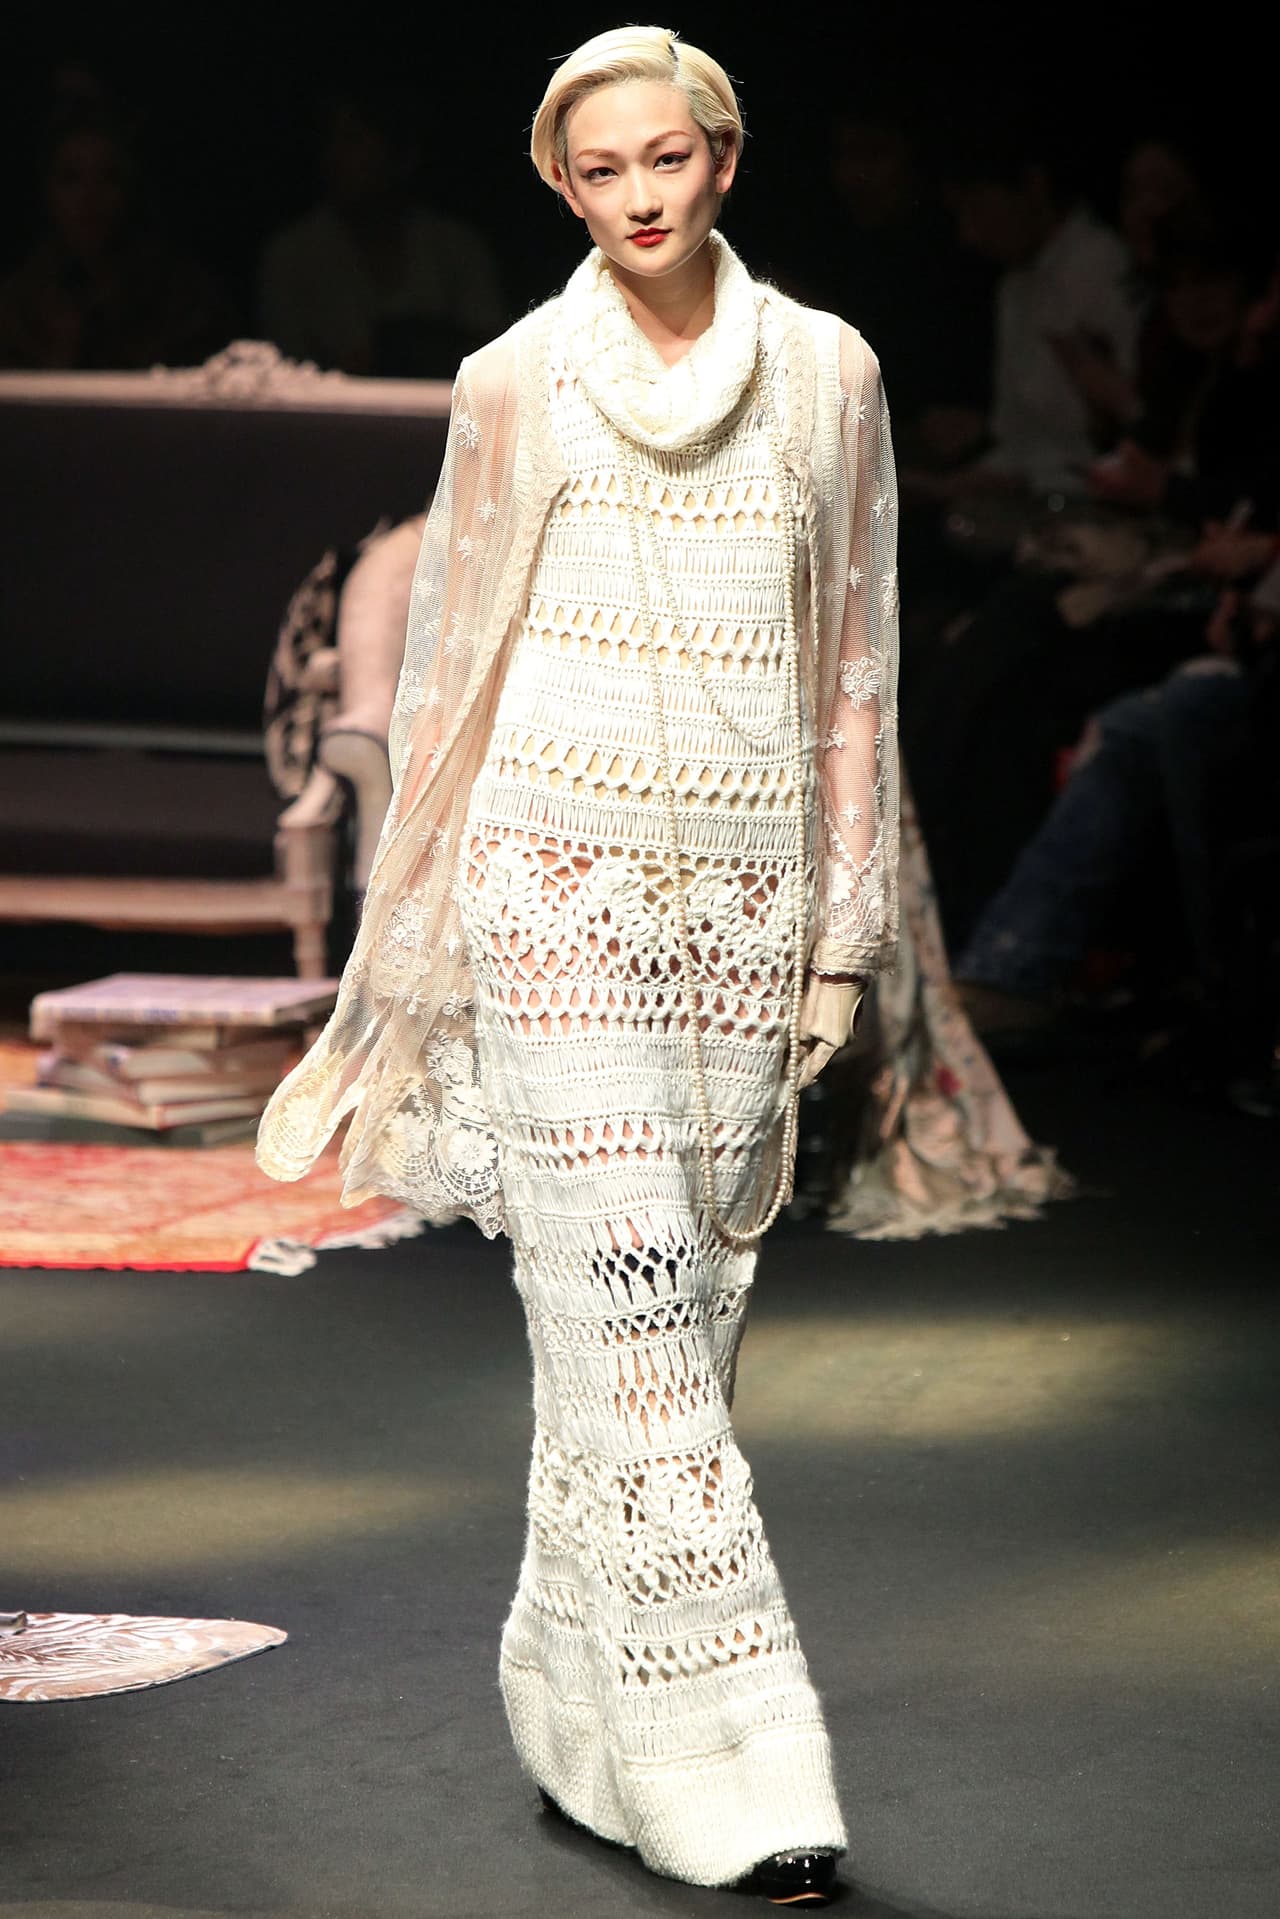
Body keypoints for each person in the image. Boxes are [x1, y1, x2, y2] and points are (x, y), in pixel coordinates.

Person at [256, 28, 899, 1903]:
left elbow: (855, 668)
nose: (638, 197)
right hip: (549, 888)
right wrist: (424, 941)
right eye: (600, 170)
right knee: (635, 1325)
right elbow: (450, 674)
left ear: (725, 157)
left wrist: (841, 941)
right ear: (560, 183)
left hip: (747, 908)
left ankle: (568, 1691)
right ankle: (737, 1759)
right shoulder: (510, 378)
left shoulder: (830, 370)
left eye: (667, 159)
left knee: (670, 1326)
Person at [258, 84, 505, 377]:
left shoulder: (455, 248)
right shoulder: (293, 256)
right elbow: (279, 371)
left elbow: (492, 354)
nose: (335, 157)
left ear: (402, 155)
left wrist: (420, 348)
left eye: (354, 140)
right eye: (330, 141)